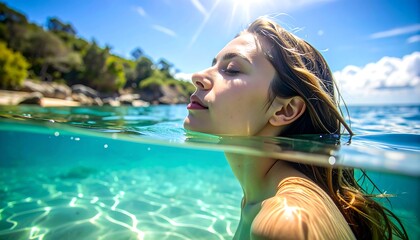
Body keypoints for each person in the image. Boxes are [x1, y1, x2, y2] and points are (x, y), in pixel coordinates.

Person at [184, 17, 408, 240]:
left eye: (232, 70)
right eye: (214, 64)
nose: (197, 76)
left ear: (285, 110)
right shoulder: (265, 201)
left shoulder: (284, 223)